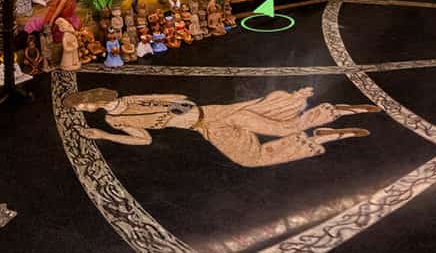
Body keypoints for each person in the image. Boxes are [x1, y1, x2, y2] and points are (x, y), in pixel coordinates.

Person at [64, 87, 377, 168]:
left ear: (94, 100)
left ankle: (340, 113)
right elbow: (144, 140)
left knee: (284, 127)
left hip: (214, 114)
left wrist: (177, 111)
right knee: (251, 157)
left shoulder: (130, 100)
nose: (85, 109)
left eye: (83, 105)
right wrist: (104, 134)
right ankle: (325, 135)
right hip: (208, 127)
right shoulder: (114, 121)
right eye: (81, 109)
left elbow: (179, 99)